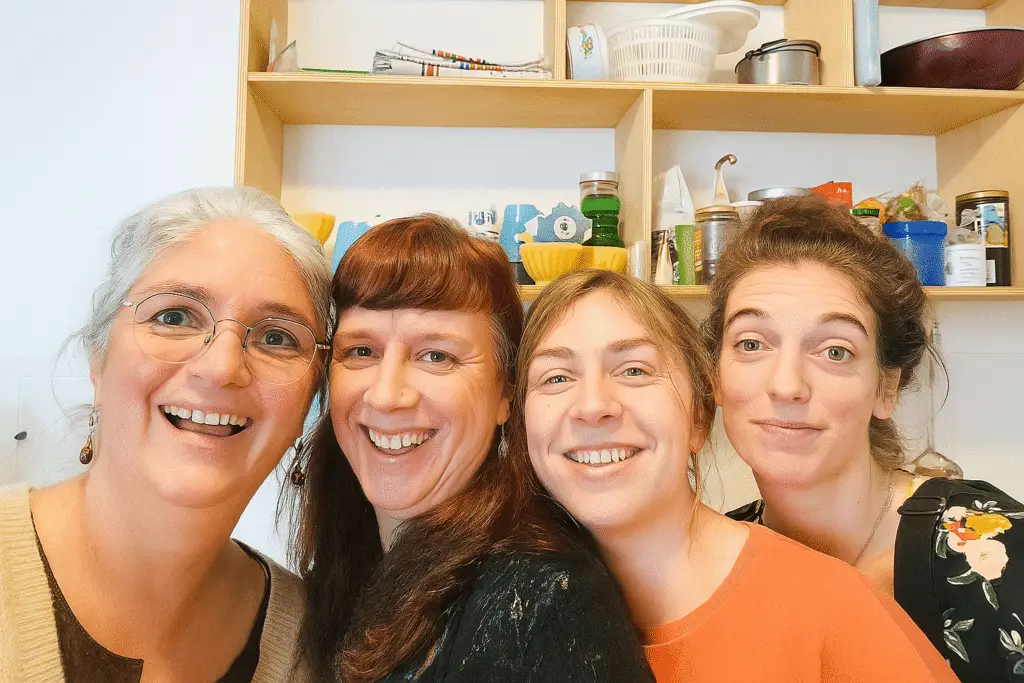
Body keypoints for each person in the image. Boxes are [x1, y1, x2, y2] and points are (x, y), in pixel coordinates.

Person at [515, 268, 959, 683]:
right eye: (555, 378)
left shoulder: (832, 608)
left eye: (635, 370)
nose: (592, 406)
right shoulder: (508, 612)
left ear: (699, 416)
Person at [291, 215, 652, 683]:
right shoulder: (347, 567)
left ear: (506, 393)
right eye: (361, 351)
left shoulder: (544, 597)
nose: (385, 394)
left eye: (436, 355)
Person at [0, 187, 331, 682]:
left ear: (311, 394)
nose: (222, 368)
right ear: (98, 356)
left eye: (277, 337)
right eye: (173, 317)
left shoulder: (313, 647)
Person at [710, 195, 1024, 683]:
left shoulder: (989, 553)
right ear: (715, 377)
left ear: (886, 387)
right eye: (751, 344)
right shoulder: (711, 556)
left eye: (835, 351)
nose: (787, 385)